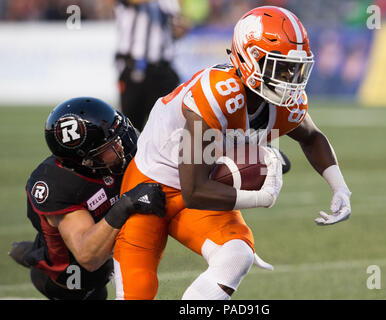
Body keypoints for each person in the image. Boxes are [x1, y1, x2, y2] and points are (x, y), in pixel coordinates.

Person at [112, 6, 352, 300]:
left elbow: (312, 137)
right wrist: (261, 197)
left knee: (237, 254)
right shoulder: (219, 93)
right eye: (281, 67)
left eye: (295, 68)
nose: (290, 77)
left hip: (201, 190)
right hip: (149, 189)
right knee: (138, 292)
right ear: (249, 59)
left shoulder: (283, 101)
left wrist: (340, 187)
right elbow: (193, 190)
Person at [8, 97, 166, 300]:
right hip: (70, 277)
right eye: (110, 145)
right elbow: (88, 256)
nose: (121, 144)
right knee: (90, 288)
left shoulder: (113, 156)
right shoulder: (58, 183)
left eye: (119, 135)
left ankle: (30, 252)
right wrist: (124, 205)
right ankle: (32, 256)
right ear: (86, 159)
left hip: (100, 250)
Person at [114, 0, 189, 131]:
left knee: (167, 127)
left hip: (163, 70)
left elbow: (177, 30)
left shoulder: (170, 3)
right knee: (130, 126)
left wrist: (181, 28)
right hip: (135, 68)